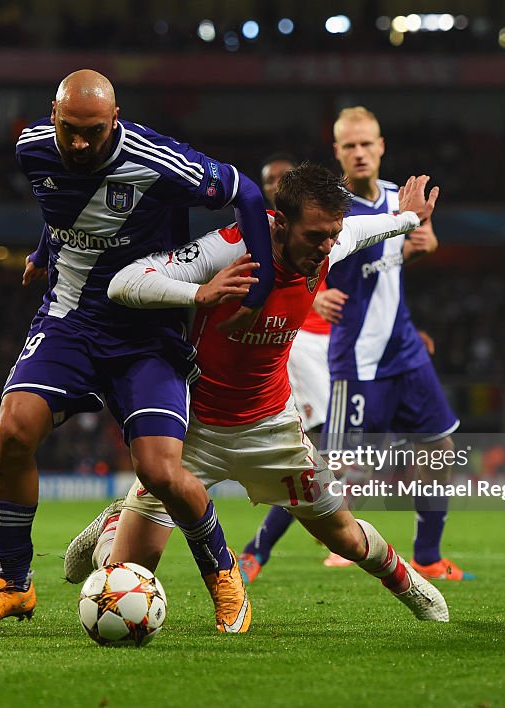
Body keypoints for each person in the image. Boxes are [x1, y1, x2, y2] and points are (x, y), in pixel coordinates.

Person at [0, 69, 275, 636]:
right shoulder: (32, 148)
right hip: (70, 321)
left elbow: (246, 191)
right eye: (69, 130)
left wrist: (264, 284)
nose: (78, 143)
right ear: (53, 117)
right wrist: (41, 248)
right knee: (13, 430)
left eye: (93, 132)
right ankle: (12, 585)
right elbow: (65, 211)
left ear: (115, 120)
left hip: (147, 332)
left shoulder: (161, 162)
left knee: (160, 470)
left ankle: (224, 574)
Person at [69, 164, 449, 623]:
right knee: (123, 577)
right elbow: (123, 282)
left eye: (333, 234)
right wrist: (199, 293)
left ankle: (411, 585)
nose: (327, 246)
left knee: (346, 538)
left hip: (274, 430)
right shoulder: (231, 247)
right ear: (280, 222)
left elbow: (367, 230)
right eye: (316, 236)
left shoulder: (328, 243)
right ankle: (114, 527)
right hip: (196, 433)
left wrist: (408, 220)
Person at [322, 106, 474, 581]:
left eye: (367, 143)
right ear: (337, 153)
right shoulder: (329, 207)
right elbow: (300, 264)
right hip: (356, 357)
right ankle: (339, 542)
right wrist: (316, 297)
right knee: (345, 465)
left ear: (382, 146)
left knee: (439, 447)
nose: (360, 153)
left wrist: (423, 244)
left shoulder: (397, 198)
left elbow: (413, 246)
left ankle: (428, 554)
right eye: (350, 145)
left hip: (404, 350)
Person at [236, 154, 349, 582]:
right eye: (270, 180)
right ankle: (257, 552)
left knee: (329, 458)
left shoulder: (321, 223)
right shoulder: (255, 230)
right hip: (298, 343)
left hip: (339, 345)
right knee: (318, 451)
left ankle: (329, 530)